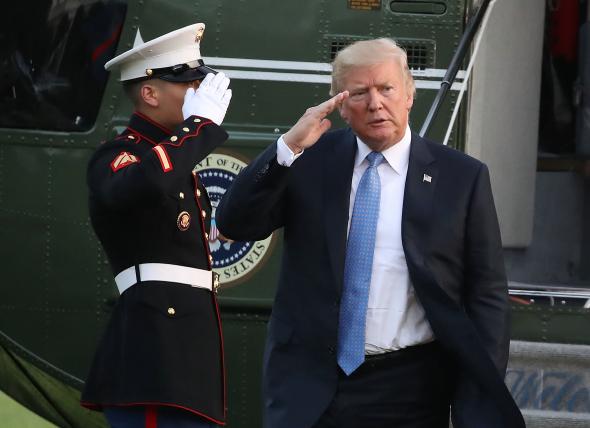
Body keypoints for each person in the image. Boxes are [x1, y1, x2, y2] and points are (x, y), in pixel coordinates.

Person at [216, 38, 525, 428]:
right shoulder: (309, 160)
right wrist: (287, 146)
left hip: (410, 387)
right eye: (360, 92)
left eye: (387, 88)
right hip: (309, 385)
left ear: (409, 94)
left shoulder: (461, 177)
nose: (376, 103)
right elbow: (234, 223)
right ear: (341, 105)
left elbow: (487, 295)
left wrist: (477, 395)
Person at [81, 23, 232, 428]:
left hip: (188, 360)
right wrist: (197, 128)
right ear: (149, 93)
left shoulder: (173, 161)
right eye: (189, 86)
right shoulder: (121, 155)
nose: (199, 95)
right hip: (154, 357)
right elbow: (140, 186)